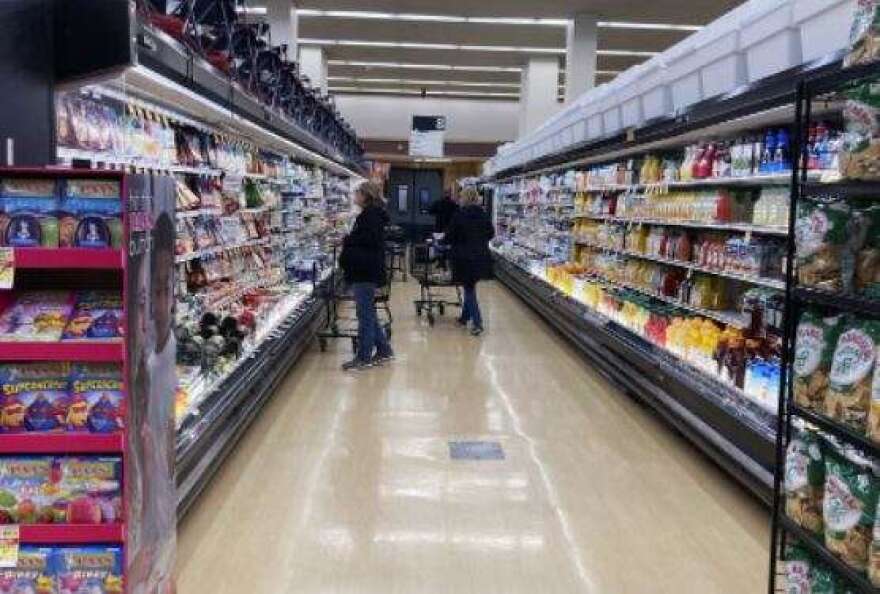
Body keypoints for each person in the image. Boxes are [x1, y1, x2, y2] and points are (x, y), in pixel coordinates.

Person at [339, 181, 394, 370]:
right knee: (368, 313)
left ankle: (363, 357)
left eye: (357, 193)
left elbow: (366, 242)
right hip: (368, 270)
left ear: (365, 195)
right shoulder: (373, 215)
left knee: (364, 315)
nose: (354, 196)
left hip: (364, 271)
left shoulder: (369, 216)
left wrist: (347, 240)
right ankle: (384, 350)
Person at [443, 187, 494, 336]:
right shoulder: (483, 214)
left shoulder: (460, 214)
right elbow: (491, 233)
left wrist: (445, 240)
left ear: (464, 198)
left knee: (469, 289)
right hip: (481, 257)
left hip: (463, 257)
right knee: (469, 286)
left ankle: (477, 323)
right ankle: (464, 318)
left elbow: (450, 235)